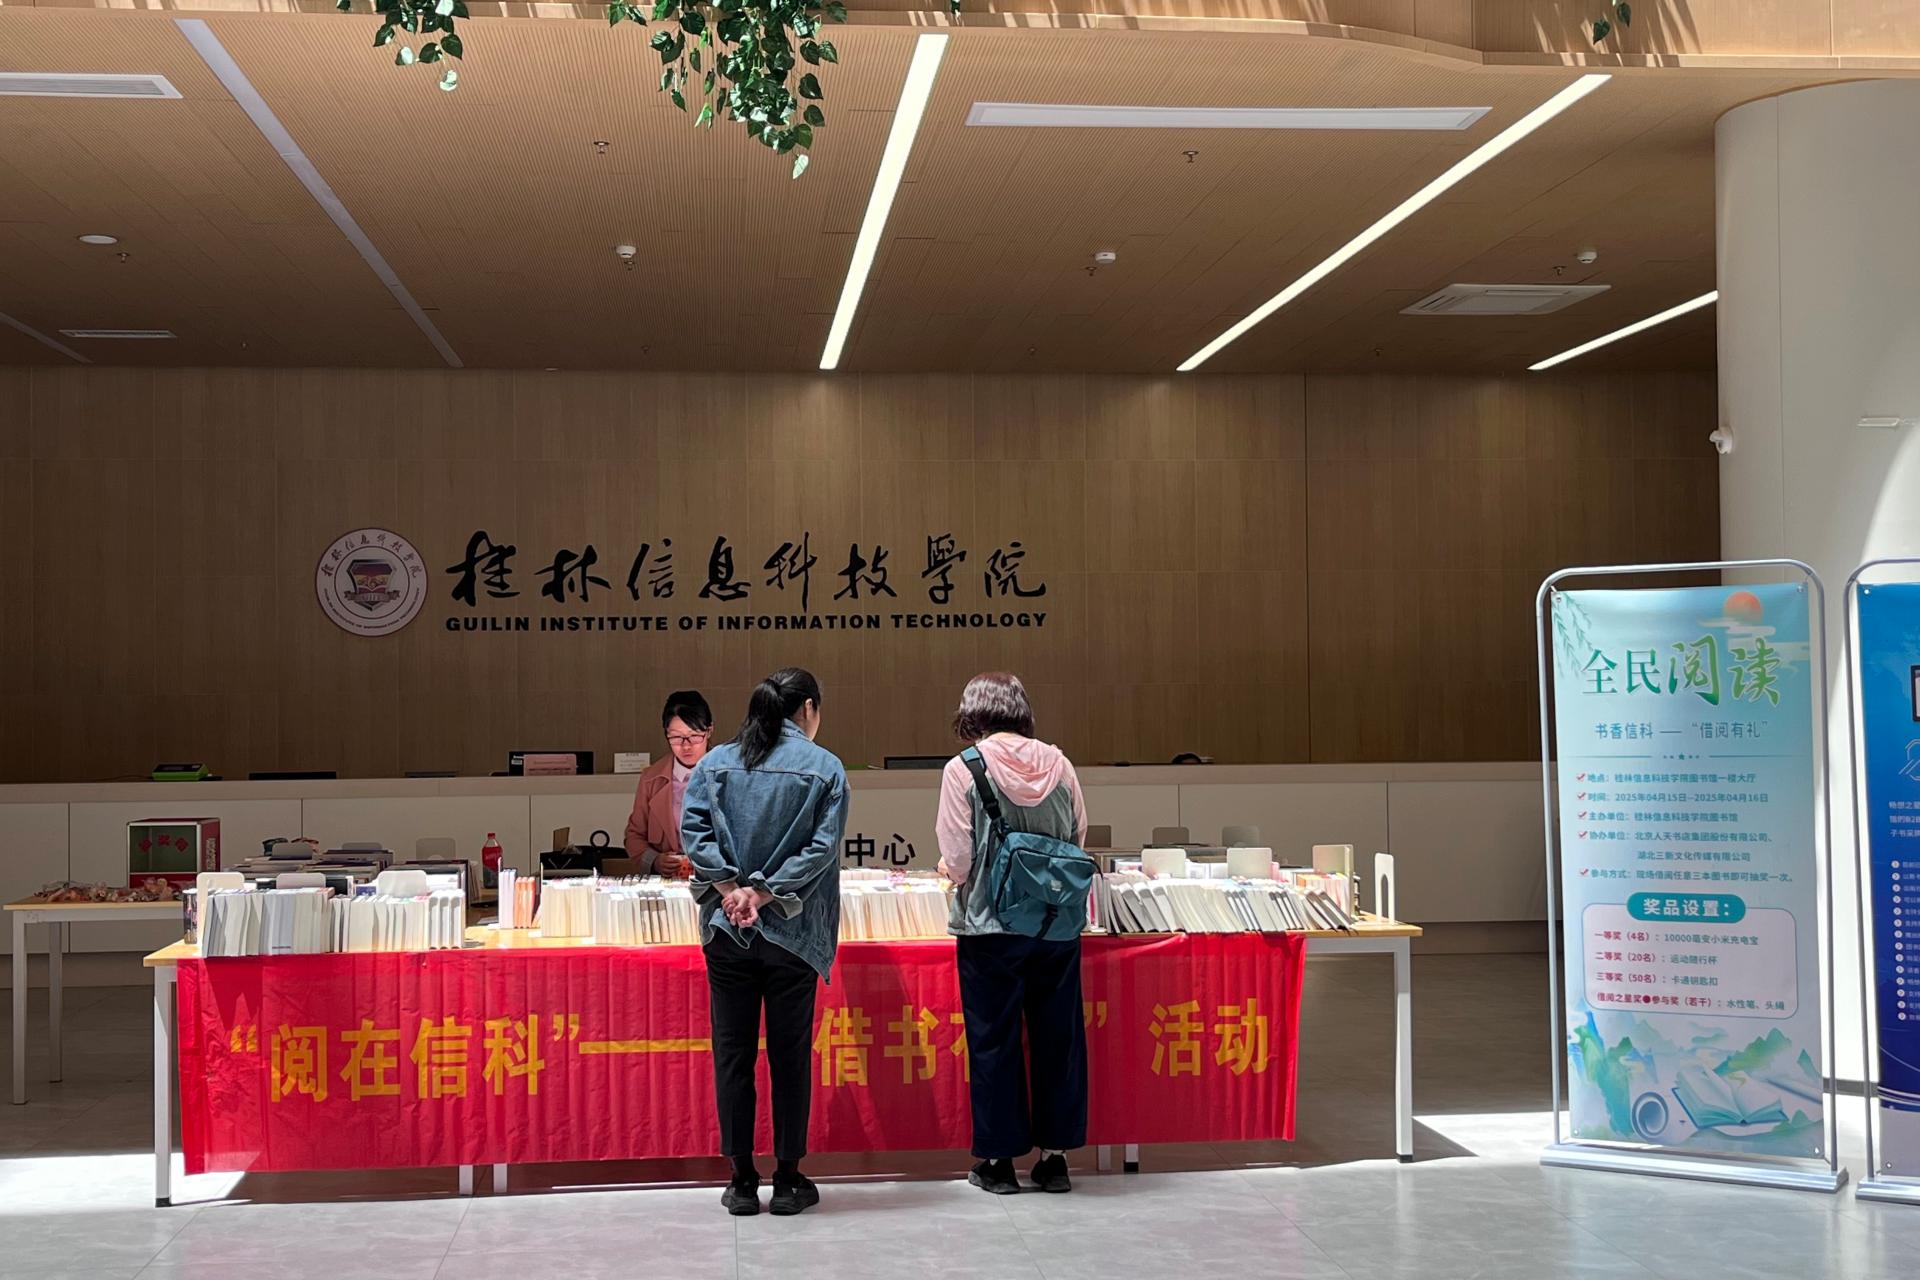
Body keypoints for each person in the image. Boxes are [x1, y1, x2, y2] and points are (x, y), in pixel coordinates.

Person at [682, 667, 846, 1217]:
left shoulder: (715, 763)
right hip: (792, 935)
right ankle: (789, 1179)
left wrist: (732, 890)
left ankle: (741, 1180)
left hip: (727, 931)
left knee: (732, 1054)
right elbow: (821, 849)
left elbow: (694, 834)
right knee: (790, 1055)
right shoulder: (825, 768)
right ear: (808, 709)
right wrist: (764, 893)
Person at [936, 671, 1089, 1196]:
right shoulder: (1060, 764)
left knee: (994, 1041)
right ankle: (1055, 1160)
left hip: (989, 927)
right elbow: (1076, 838)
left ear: (972, 713)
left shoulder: (964, 768)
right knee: (1058, 1039)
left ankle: (999, 1163)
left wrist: (949, 869)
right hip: (1056, 924)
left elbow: (959, 860)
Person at [623, 690, 713, 877]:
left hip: (718, 882)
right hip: (669, 881)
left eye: (694, 736)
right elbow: (634, 836)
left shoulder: (727, 774)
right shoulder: (652, 779)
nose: (686, 746)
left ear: (709, 731)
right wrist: (654, 860)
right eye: (676, 737)